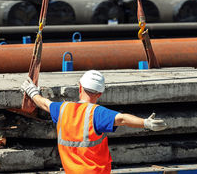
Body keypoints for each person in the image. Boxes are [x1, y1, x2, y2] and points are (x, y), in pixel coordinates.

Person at [21, 70, 168, 174]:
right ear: (99, 94)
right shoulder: (97, 113)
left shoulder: (63, 108)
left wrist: (32, 92)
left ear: (80, 87)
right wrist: (145, 123)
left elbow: (45, 104)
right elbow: (122, 119)